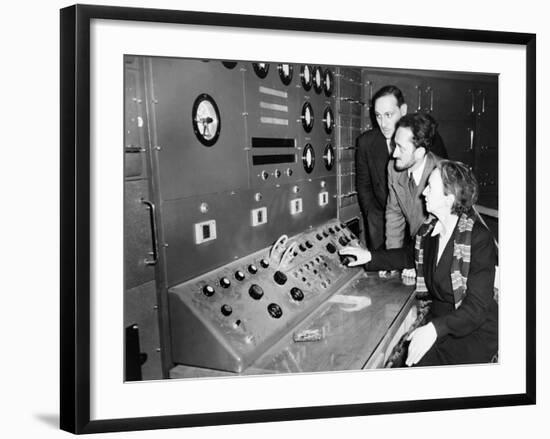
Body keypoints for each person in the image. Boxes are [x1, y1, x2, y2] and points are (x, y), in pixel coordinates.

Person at [339, 160, 498, 366]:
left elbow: (476, 309)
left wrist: (434, 330)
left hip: (472, 331)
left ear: (449, 198)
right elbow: (408, 255)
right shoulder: (429, 230)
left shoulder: (478, 238)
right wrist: (370, 256)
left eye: (430, 187)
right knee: (402, 365)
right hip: (440, 321)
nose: (423, 192)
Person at [355, 85, 447, 251]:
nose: (383, 123)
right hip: (386, 221)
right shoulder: (367, 144)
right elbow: (365, 188)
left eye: (389, 115)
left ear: (403, 110)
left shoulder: (426, 139)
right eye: (378, 116)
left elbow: (442, 195)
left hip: (426, 223)